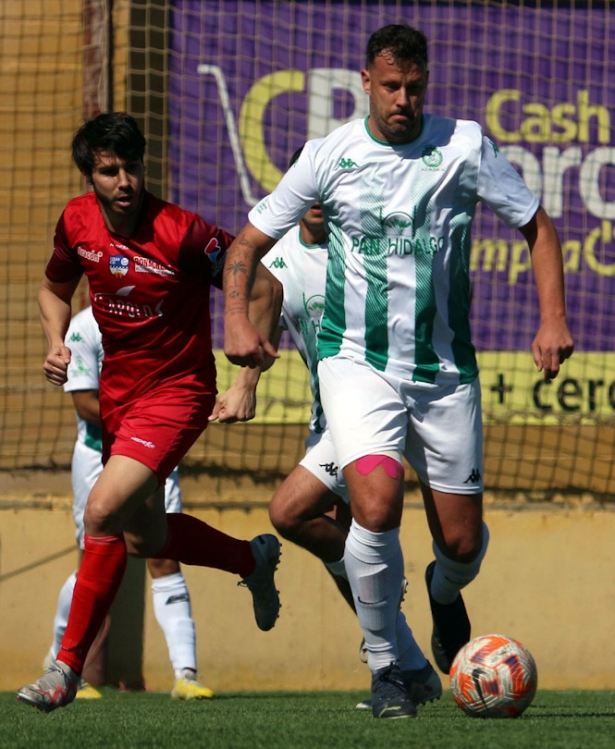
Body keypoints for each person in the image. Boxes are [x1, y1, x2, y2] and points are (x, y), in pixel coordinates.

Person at [221, 24, 574, 719]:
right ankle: (390, 668)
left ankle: (444, 593)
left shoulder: (464, 146)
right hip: (358, 368)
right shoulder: (328, 156)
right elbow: (247, 244)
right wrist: (234, 320)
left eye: (414, 87)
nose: (402, 100)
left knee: (462, 546)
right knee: (375, 507)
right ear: (365, 82)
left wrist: (552, 318)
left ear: (426, 83)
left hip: (445, 376)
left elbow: (536, 225)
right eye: (390, 87)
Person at [17, 111, 283, 713]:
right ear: (92, 176)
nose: (124, 181)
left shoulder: (183, 232)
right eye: (109, 171)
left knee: (102, 511)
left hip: (179, 392)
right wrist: (56, 342)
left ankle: (65, 668)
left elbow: (265, 288)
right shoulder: (76, 221)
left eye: (132, 167)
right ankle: (252, 558)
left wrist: (247, 382)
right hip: (120, 396)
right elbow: (52, 291)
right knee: (146, 535)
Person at [216, 147, 442, 710]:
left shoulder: (365, 245)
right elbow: (262, 305)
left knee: (290, 512)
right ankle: (405, 668)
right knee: (348, 564)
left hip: (372, 408)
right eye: (307, 191)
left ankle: (402, 653)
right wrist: (244, 386)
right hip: (326, 419)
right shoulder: (282, 260)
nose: (317, 201)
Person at [43, 305, 213, 700]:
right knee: (94, 556)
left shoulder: (159, 318)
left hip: (156, 451)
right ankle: (62, 664)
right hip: (98, 457)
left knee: (163, 553)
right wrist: (141, 420)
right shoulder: (83, 328)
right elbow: (85, 403)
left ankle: (186, 674)